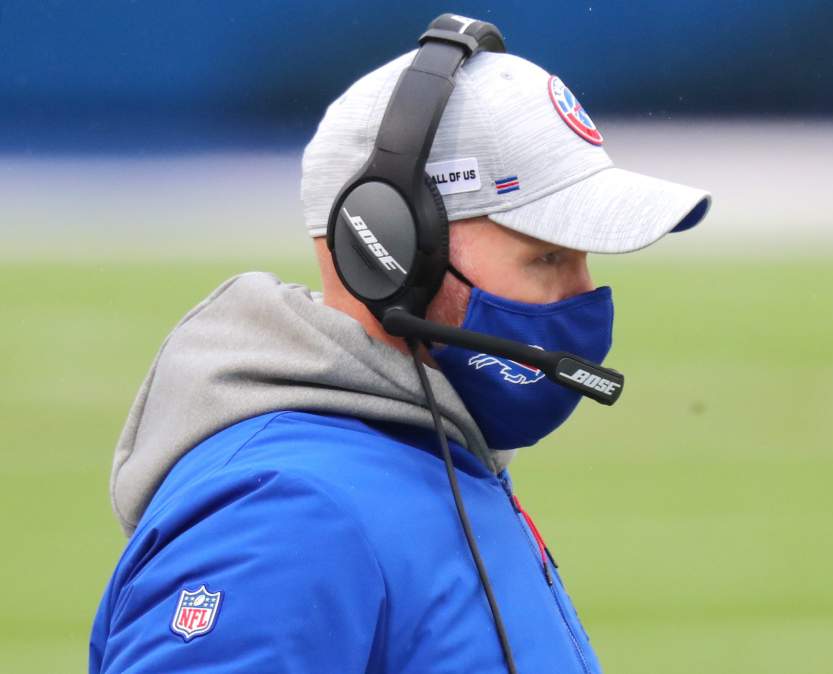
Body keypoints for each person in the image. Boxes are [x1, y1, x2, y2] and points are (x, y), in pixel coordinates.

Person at [89, 21, 710, 673]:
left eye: (583, 259)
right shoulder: (288, 518)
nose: (582, 297)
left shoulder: (438, 462)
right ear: (391, 249)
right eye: (547, 257)